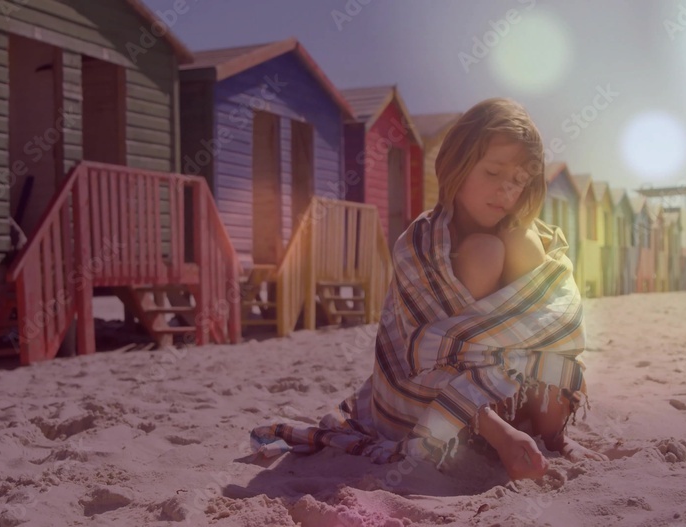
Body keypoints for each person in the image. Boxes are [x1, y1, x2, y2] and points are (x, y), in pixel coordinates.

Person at [250, 98, 606, 481]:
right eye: (492, 172)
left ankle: (552, 435)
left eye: (519, 180)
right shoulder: (421, 245)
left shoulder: (532, 243)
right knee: (484, 252)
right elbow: (412, 359)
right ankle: (484, 435)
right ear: (458, 164)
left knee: (521, 242)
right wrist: (499, 434)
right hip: (445, 406)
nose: (506, 190)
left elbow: (557, 330)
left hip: (516, 397)